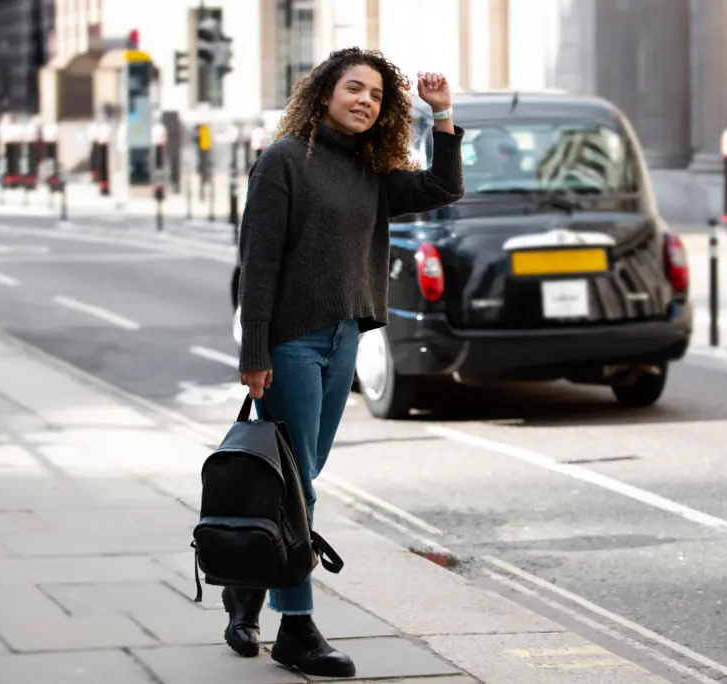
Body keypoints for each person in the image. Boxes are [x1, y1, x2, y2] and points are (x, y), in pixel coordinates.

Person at [229, 47, 464, 677]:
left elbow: (443, 187)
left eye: (377, 97)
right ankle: (297, 629)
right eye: (354, 88)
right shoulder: (283, 161)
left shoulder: (371, 170)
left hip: (343, 341)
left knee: (300, 478)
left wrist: (441, 116)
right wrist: (254, 351)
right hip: (291, 343)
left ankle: (248, 586)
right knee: (298, 485)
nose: (365, 101)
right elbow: (259, 264)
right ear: (323, 92)